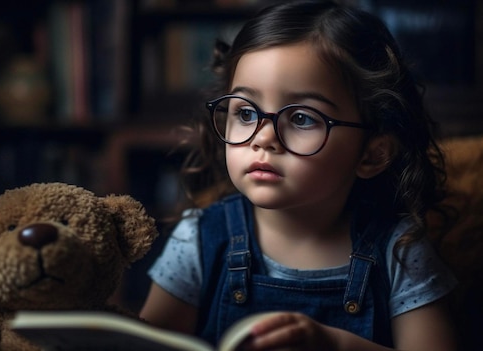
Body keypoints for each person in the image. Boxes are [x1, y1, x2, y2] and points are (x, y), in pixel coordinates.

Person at [139, 1, 459, 350]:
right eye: (246, 112)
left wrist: (335, 345)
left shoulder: (400, 249)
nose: (263, 138)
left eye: (303, 118)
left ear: (371, 154)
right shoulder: (198, 239)